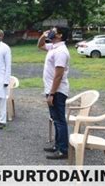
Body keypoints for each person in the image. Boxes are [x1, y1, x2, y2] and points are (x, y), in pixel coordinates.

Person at [38, 26, 70, 160]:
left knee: (59, 120)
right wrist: (44, 35)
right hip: (52, 90)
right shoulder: (53, 47)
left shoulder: (61, 51)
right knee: (56, 120)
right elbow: (40, 45)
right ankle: (58, 146)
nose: (52, 31)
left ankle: (63, 150)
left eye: (54, 31)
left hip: (57, 91)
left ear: (60, 35)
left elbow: (59, 75)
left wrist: (52, 93)